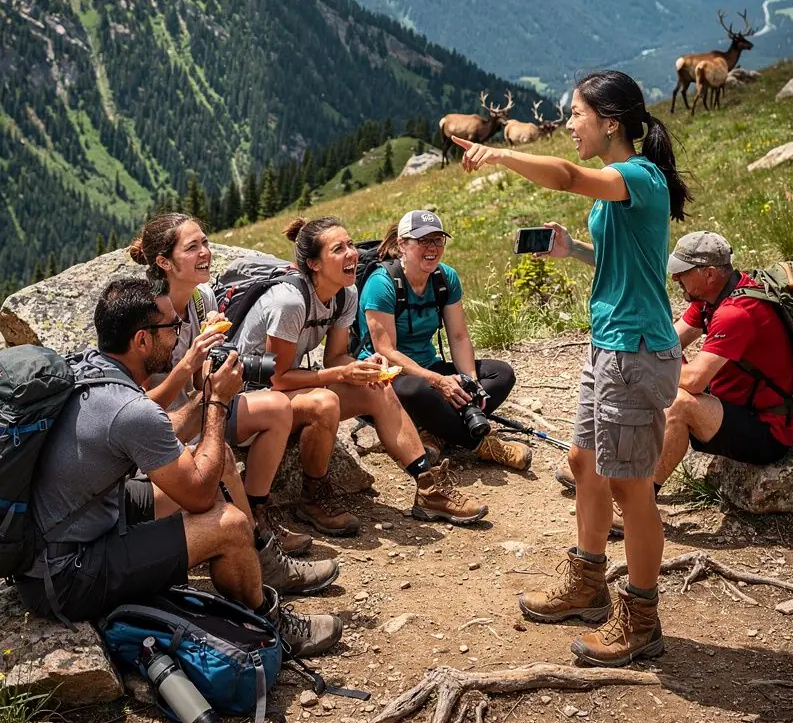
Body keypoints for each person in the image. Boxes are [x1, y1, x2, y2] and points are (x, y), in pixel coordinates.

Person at [452, 69, 691, 667]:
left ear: (610, 122)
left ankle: (642, 617)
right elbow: (628, 257)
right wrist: (573, 251)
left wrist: (502, 154)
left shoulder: (637, 175)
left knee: (630, 488)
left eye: (577, 115)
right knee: (585, 462)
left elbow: (562, 176)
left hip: (635, 351)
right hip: (608, 345)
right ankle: (587, 585)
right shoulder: (622, 186)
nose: (570, 126)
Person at [14, 279, 342, 658]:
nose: (180, 334)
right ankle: (272, 625)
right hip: (66, 575)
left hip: (60, 535)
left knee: (204, 478)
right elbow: (199, 494)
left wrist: (204, 399)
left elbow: (157, 432)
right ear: (141, 340)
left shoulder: (91, 369)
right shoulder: (129, 409)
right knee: (230, 524)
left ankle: (258, 566)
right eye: (172, 327)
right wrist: (219, 404)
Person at [231, 216, 488, 530]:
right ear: (313, 264)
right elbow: (278, 377)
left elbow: (335, 356)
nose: (353, 253)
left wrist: (363, 368)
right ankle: (313, 499)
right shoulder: (290, 302)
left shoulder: (345, 294)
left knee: (377, 386)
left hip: (283, 390)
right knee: (324, 403)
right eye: (339, 249)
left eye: (350, 244)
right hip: (248, 397)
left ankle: (428, 488)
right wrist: (342, 374)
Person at [130, 214, 337, 597]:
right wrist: (192, 359)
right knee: (220, 452)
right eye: (192, 248)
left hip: (195, 408)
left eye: (205, 243)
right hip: (161, 426)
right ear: (163, 261)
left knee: (277, 407)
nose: (206, 253)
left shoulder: (200, 297)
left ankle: (258, 513)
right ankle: (256, 549)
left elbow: (198, 384)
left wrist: (216, 361)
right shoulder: (147, 313)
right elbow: (135, 406)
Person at [358, 211, 531, 471]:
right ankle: (486, 447)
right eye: (423, 241)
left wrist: (470, 382)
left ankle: (436, 432)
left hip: (428, 366)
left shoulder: (445, 278)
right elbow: (387, 351)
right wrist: (438, 381)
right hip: (390, 374)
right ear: (402, 245)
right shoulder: (382, 284)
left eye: (438, 240)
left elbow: (459, 337)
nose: (432, 248)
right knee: (417, 390)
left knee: (501, 374)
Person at [654, 231, 793, 480]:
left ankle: (639, 503)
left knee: (678, 402)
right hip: (734, 408)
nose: (675, 277)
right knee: (650, 381)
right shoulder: (711, 297)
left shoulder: (736, 313)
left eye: (682, 271)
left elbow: (693, 380)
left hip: (766, 430)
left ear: (709, 274)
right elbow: (669, 341)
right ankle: (617, 475)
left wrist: (654, 360)